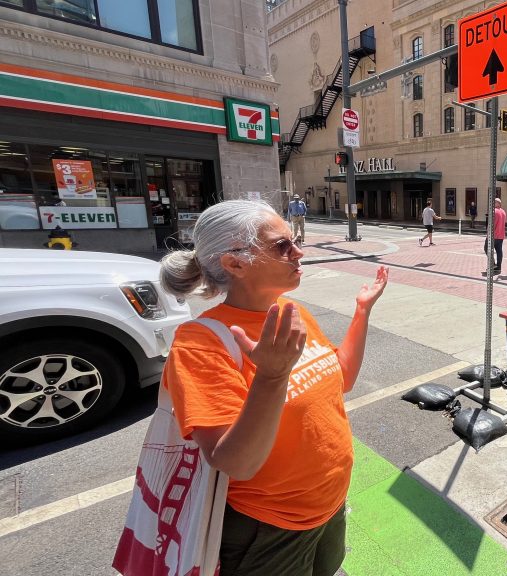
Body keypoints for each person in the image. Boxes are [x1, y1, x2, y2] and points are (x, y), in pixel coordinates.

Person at [158, 200, 388, 576]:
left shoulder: (290, 312)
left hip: (329, 507)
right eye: (282, 246)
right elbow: (235, 462)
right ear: (235, 264)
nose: (299, 251)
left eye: (294, 240)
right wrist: (271, 376)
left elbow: (341, 379)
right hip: (268, 528)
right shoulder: (199, 343)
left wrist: (362, 312)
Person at [483, 197, 507, 275]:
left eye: (494, 202)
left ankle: (492, 264)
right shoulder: (503, 212)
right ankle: (498, 267)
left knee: (487, 249)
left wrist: (487, 234)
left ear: (497, 203)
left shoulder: (493, 211)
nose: (492, 204)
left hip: (493, 235)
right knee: (499, 251)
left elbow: (490, 224)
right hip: (501, 235)